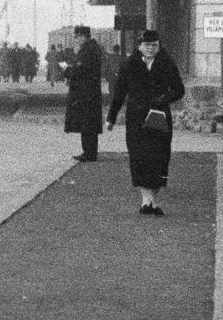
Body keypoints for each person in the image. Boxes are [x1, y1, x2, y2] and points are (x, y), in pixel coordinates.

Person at [106, 30, 185, 216]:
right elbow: (119, 93)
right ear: (140, 46)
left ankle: (153, 200)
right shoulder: (129, 64)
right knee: (139, 157)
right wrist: (111, 117)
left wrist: (164, 98)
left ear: (159, 46)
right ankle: (146, 200)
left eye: (154, 45)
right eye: (147, 45)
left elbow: (179, 90)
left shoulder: (167, 63)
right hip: (136, 117)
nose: (151, 49)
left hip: (159, 116)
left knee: (159, 157)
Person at [63, 25, 104, 162]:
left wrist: (68, 69)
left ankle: (89, 153)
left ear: (83, 36)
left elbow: (80, 69)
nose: (75, 40)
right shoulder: (90, 48)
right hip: (88, 91)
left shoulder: (88, 50)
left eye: (76, 37)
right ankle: (88, 151)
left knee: (87, 122)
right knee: (87, 122)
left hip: (86, 92)